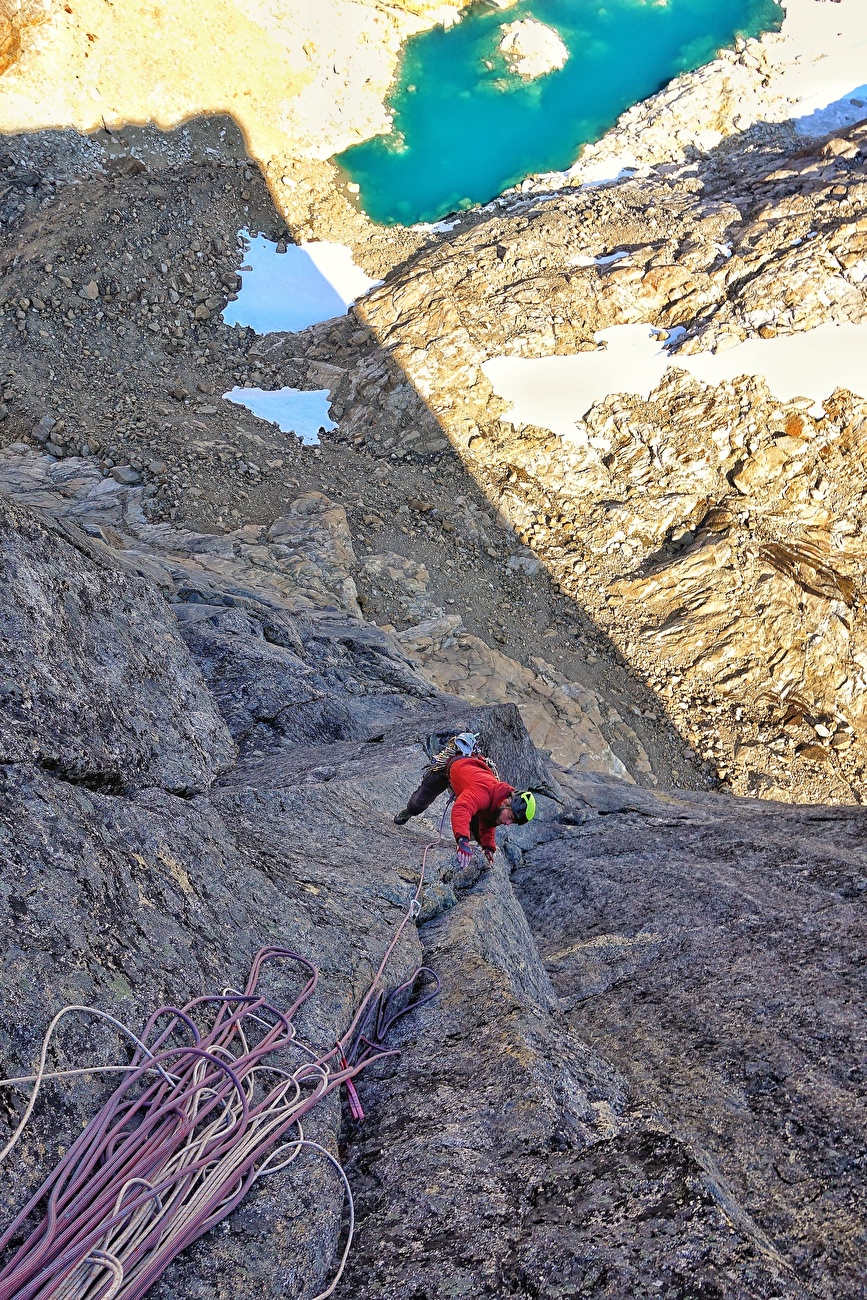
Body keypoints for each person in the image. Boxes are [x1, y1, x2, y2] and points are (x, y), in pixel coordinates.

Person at [394, 740, 537, 868]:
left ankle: (472, 839)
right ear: (506, 802)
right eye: (511, 817)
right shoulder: (484, 792)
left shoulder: (499, 804)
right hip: (449, 767)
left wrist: (488, 847)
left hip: (467, 779)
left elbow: (488, 823)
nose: (507, 823)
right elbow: (462, 808)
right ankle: (408, 811)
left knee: (476, 830)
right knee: (418, 802)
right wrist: (462, 840)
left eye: (512, 822)